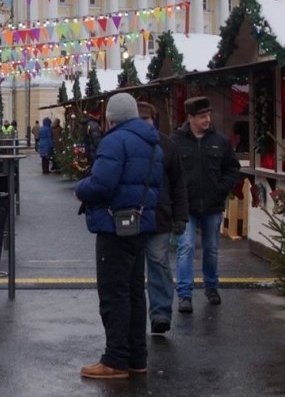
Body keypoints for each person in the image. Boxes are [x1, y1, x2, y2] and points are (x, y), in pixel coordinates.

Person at [74, 93, 163, 380]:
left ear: (111, 118)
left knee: (114, 293)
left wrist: (81, 187)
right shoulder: (152, 143)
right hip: (141, 223)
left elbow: (102, 184)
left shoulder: (114, 141)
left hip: (114, 225)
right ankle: (137, 357)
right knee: (135, 292)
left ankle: (115, 359)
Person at [173, 95, 243, 313]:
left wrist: (221, 188)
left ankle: (211, 287)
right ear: (191, 118)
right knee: (185, 248)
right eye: (202, 116)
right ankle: (184, 294)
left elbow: (233, 168)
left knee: (211, 248)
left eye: (208, 115)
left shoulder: (219, 141)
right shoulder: (176, 141)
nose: (207, 120)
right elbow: (168, 171)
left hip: (212, 204)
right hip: (186, 205)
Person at [136, 102, 188, 335]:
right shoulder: (127, 144)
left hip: (160, 214)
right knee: (134, 268)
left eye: (146, 119)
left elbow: (178, 184)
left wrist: (181, 216)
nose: (144, 123)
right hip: (133, 216)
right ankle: (135, 316)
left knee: (158, 263)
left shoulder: (168, 146)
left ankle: (160, 314)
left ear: (153, 120)